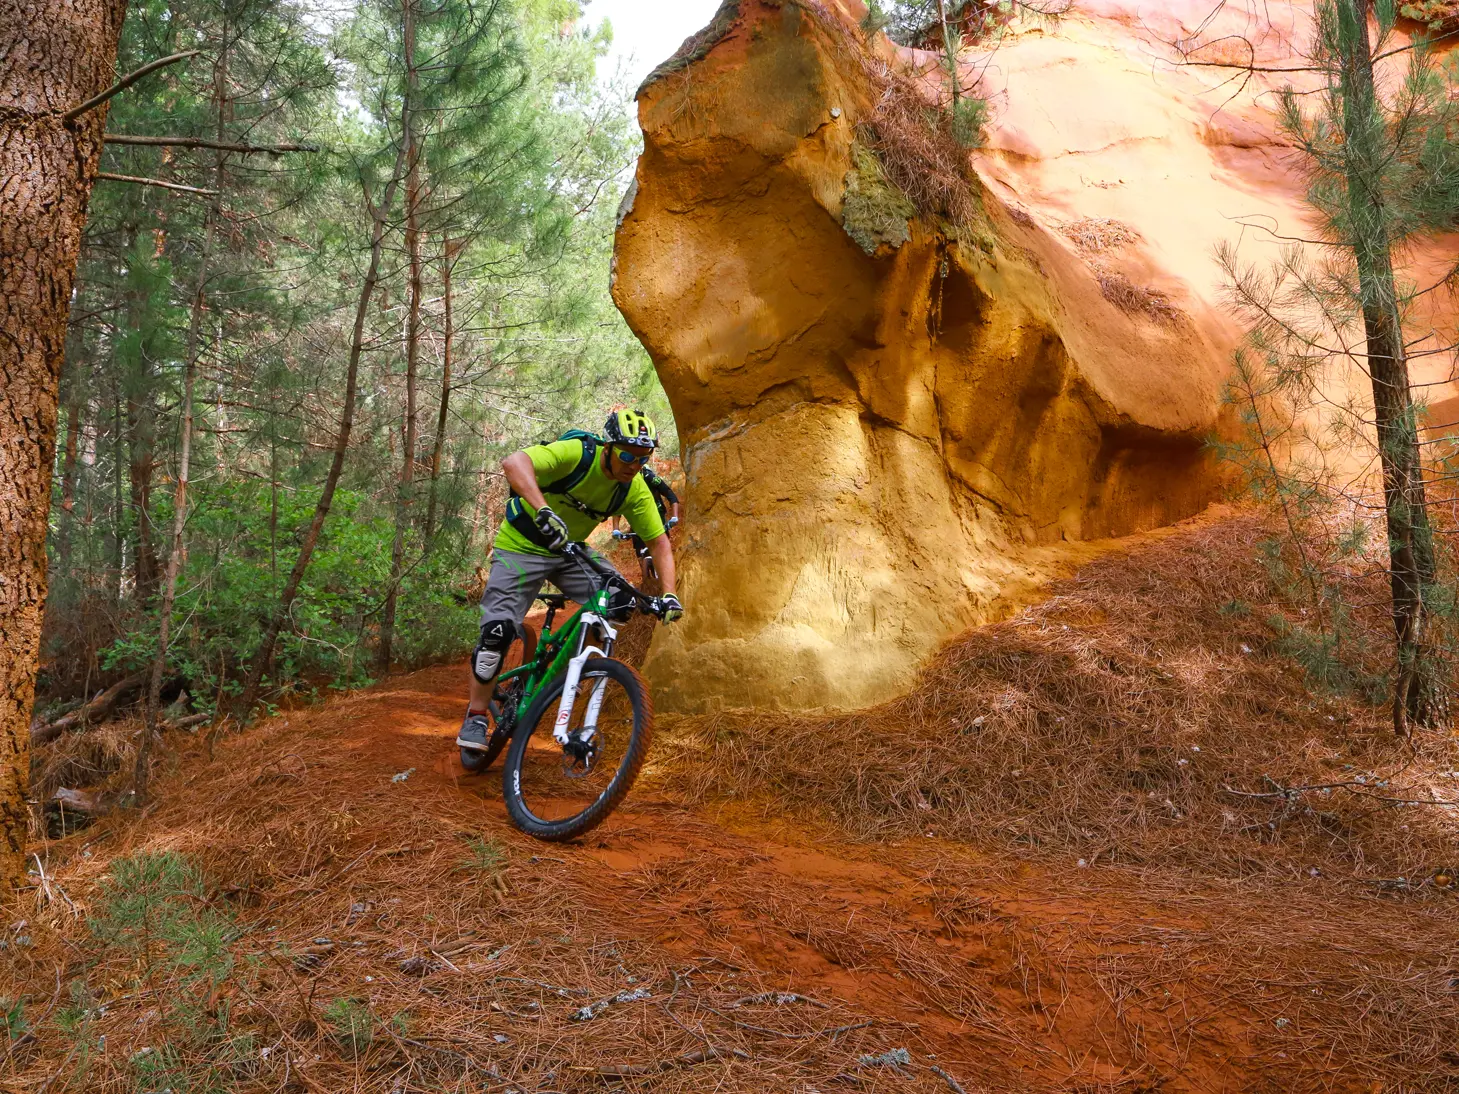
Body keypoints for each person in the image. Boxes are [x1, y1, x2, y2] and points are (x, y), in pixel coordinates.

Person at [457, 409, 683, 755]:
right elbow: (513, 463)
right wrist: (542, 509)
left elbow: (659, 543)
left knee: (618, 600)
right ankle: (475, 715)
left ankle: (569, 672)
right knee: (496, 635)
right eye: (626, 454)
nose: (633, 464)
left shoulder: (633, 487)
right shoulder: (578, 454)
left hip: (569, 551)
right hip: (521, 546)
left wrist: (669, 594)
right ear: (609, 446)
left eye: (642, 458)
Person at [614, 463, 680, 585]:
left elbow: (671, 495)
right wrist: (616, 529)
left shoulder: (649, 477)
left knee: (662, 551)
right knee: (640, 556)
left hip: (657, 520)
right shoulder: (625, 484)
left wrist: (674, 517)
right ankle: (648, 585)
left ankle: (669, 584)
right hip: (638, 523)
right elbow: (619, 507)